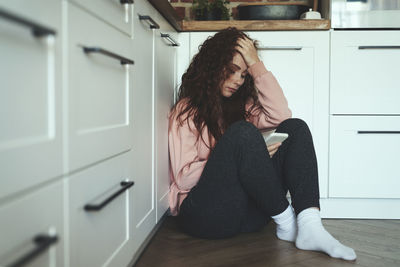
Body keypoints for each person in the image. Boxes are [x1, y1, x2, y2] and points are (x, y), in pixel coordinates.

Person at [168, 27, 356, 261]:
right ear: (213, 67)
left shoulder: (242, 107)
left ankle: (309, 224)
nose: (238, 80)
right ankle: (287, 220)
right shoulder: (186, 111)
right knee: (243, 134)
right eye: (232, 71)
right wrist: (237, 157)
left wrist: (256, 64)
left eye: (244, 75)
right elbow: (183, 177)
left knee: (295, 127)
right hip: (205, 217)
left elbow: (281, 115)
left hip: (247, 217)